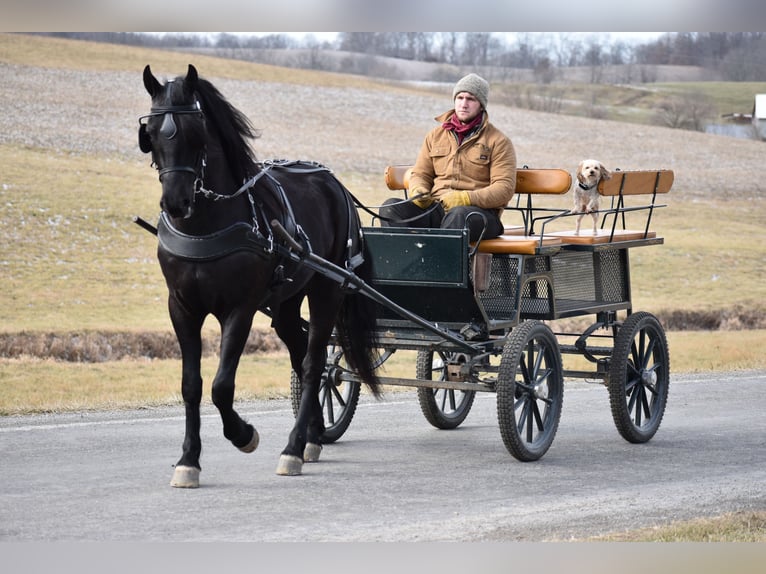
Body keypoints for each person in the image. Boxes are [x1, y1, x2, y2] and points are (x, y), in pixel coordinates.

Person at [380, 73, 516, 242]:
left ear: (481, 105)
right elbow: (421, 174)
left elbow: (504, 189)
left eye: (471, 99)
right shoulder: (435, 136)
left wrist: (466, 198)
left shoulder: (499, 141)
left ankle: (438, 267)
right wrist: (419, 191)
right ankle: (405, 264)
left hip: (480, 215)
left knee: (458, 215)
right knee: (390, 209)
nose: (464, 104)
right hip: (437, 209)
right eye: (460, 97)